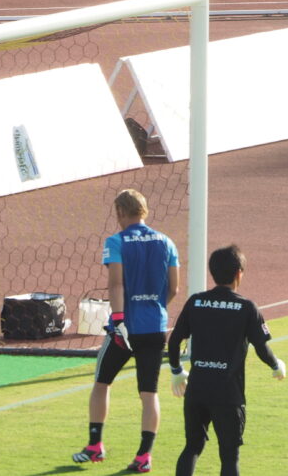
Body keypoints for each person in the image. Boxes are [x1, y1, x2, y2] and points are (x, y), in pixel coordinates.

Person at [72, 189, 180, 473]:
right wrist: (154, 307)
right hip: (155, 328)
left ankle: (95, 445)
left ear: (120, 211)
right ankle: (144, 456)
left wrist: (120, 319)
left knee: (101, 383)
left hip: (125, 329)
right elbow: (174, 288)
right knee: (149, 393)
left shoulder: (116, 241)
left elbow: (116, 284)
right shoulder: (167, 242)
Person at [168, 244, 286, 476]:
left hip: (197, 391)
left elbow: (173, 342)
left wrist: (176, 371)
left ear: (212, 272)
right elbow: (261, 347)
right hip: (228, 395)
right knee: (229, 456)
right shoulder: (246, 307)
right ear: (239, 273)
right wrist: (275, 364)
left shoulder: (196, 302)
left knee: (192, 447)